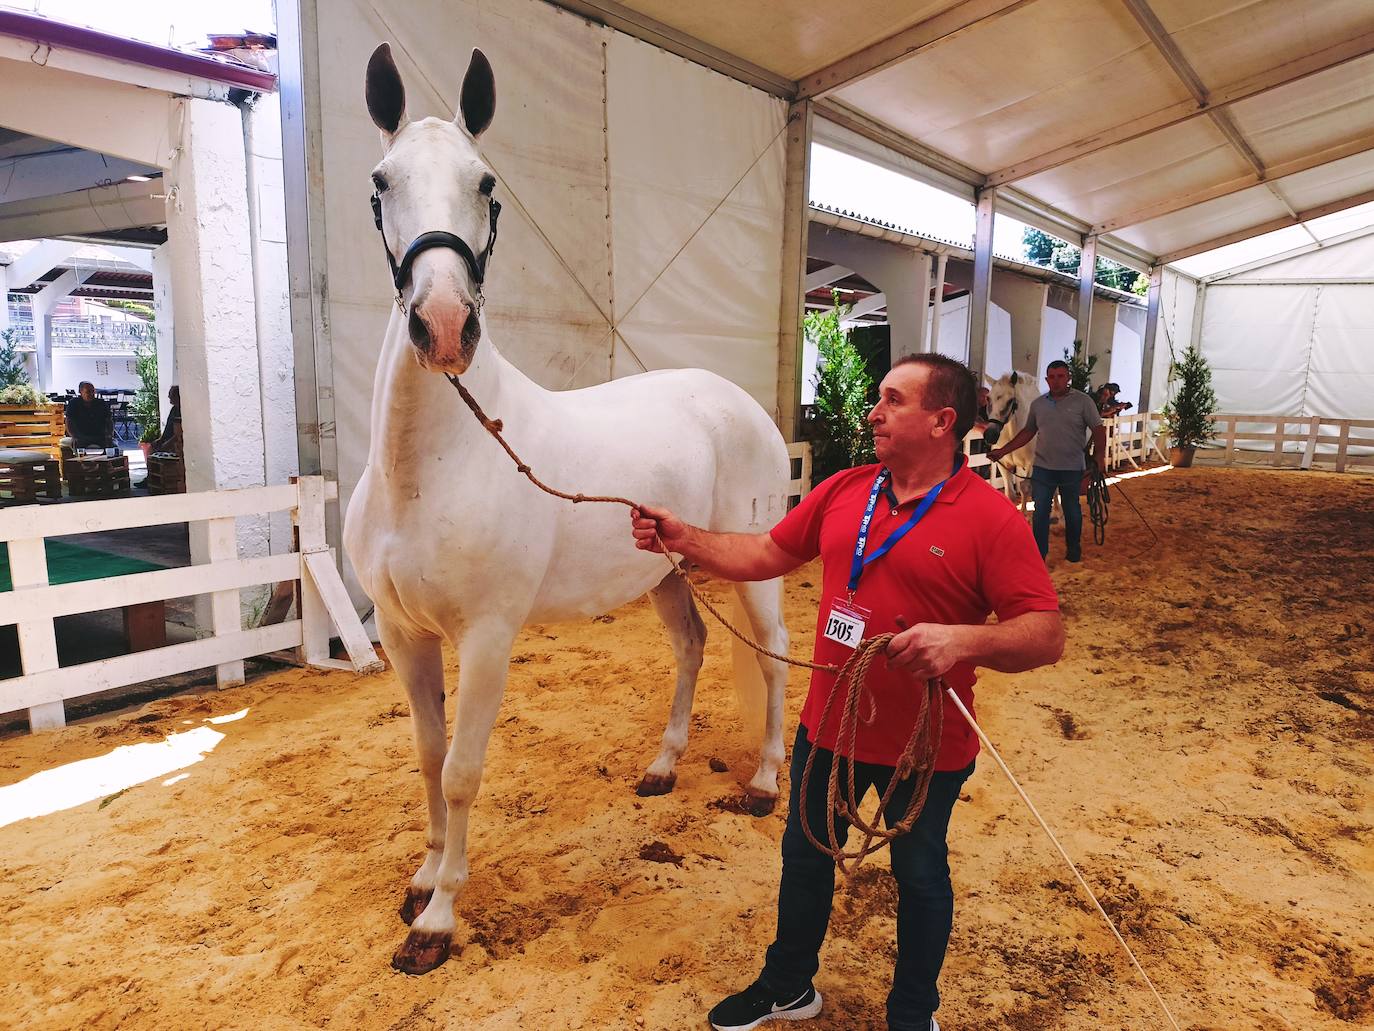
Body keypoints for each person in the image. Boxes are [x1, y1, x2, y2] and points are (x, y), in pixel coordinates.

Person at [630, 354, 1064, 1031]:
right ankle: (787, 985)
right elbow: (765, 554)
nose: (874, 411)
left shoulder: (990, 519)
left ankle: (913, 1014)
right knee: (805, 855)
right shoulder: (845, 490)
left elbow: (1044, 632)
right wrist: (685, 538)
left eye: (894, 399)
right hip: (830, 725)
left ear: (942, 420)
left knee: (919, 874)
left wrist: (962, 641)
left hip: (926, 746)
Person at [989, 360, 1106, 563]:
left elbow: (1098, 429)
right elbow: (1028, 432)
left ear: (1068, 378)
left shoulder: (1083, 401)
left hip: (1071, 467)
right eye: (1052, 377)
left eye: (1061, 376)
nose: (1056, 381)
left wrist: (1099, 458)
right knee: (1040, 512)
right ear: (1046, 379)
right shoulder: (1039, 404)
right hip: (1043, 468)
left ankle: (1073, 548)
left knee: (1072, 510)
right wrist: (1003, 451)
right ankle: (1039, 553)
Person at [63, 381, 113, 449]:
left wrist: (109, 435)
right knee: (76, 447)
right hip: (81, 436)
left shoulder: (101, 403)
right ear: (81, 392)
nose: (91, 394)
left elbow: (109, 421)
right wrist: (74, 436)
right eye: (88, 392)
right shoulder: (74, 403)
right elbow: (68, 421)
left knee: (112, 448)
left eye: (93, 391)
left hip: (99, 436)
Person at [153, 385, 182, 454]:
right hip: (167, 439)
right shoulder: (174, 409)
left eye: (171, 396)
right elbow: (168, 428)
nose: (169, 398)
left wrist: (166, 445)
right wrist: (161, 440)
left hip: (175, 443)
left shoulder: (182, 410)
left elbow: (178, 433)